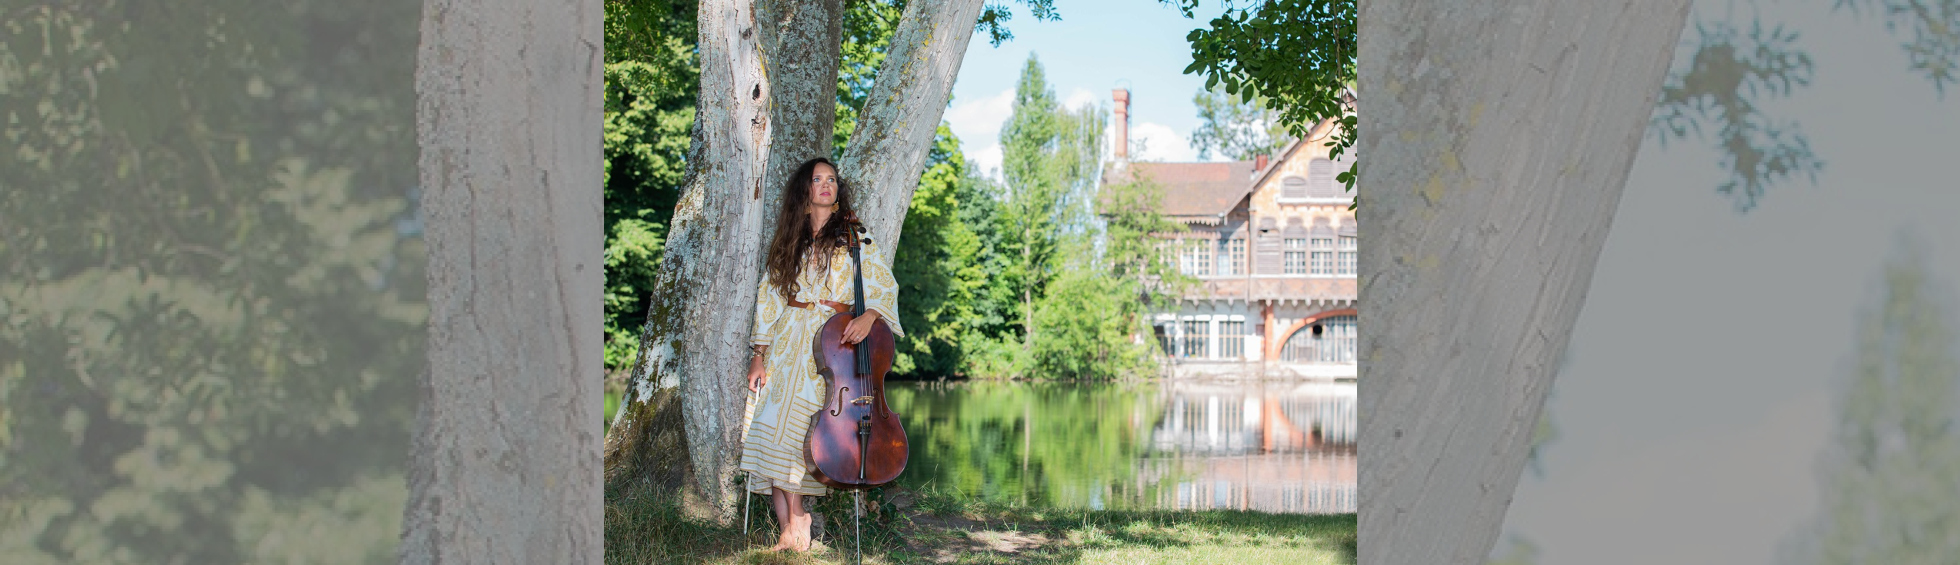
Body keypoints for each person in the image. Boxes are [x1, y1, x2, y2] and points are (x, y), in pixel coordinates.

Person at [738, 157, 903, 552]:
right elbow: (770, 295)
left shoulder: (853, 233)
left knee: (802, 433)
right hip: (786, 342)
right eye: (817, 180)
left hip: (831, 346)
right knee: (770, 431)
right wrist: (759, 353)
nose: (826, 185)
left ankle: (798, 523)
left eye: (831, 179)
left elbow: (882, 280)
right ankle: (791, 530)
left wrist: (869, 316)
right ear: (805, 189)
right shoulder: (790, 236)